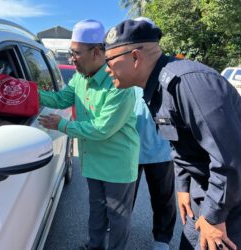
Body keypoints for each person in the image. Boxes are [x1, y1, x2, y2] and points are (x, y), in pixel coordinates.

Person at [104, 18, 241, 250]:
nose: (106, 69)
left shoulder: (189, 83)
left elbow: (231, 158)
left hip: (230, 202)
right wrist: (183, 187)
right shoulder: (157, 87)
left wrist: (214, 215)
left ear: (135, 57)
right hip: (205, 193)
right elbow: (181, 146)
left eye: (110, 60)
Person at [38, 19, 140, 250]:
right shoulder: (79, 78)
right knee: (96, 209)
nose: (71, 58)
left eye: (75, 53)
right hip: (92, 159)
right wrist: (29, 92)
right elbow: (60, 99)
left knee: (117, 217)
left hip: (117, 164)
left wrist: (63, 125)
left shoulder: (119, 84)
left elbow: (102, 128)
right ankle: (94, 246)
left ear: (96, 52)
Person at [133, 86, 176, 250]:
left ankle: (162, 237)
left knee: (163, 197)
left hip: (160, 150)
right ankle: (115, 224)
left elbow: (172, 114)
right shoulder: (124, 78)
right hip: (129, 150)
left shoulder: (162, 80)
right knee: (123, 195)